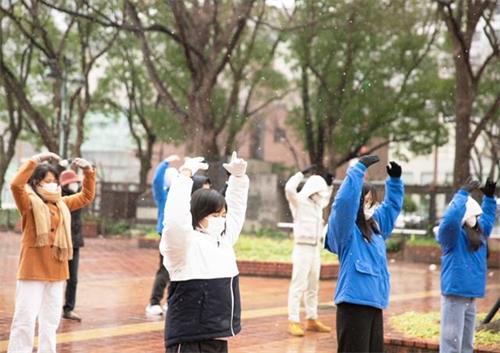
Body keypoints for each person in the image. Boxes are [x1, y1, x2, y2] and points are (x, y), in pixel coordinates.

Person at [160, 152, 249, 353]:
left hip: (217, 334)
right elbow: (175, 221)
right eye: (214, 214)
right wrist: (184, 177)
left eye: (222, 215)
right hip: (189, 337)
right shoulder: (184, 244)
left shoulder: (224, 240)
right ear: (199, 213)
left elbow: (237, 210)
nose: (220, 219)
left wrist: (238, 178)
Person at [7, 152, 96, 353]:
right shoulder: (28, 203)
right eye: (48, 181)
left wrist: (89, 172)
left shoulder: (62, 203)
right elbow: (15, 185)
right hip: (32, 270)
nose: (54, 185)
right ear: (37, 183)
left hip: (57, 271)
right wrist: (35, 160)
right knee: (25, 319)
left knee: (50, 322)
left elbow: (86, 196)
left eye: (56, 181)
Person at [325, 155, 404, 353]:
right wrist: (357, 170)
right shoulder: (346, 231)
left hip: (375, 303)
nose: (370, 206)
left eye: (372, 202)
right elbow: (344, 204)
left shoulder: (376, 227)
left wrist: (394, 182)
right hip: (353, 305)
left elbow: (391, 208)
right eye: (365, 201)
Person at [437, 178, 497, 353]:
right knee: (451, 344)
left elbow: (488, 219)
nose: (477, 219)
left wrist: (489, 198)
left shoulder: (478, 234)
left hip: (471, 295)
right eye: (473, 215)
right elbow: (449, 220)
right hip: (454, 294)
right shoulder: (451, 236)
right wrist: (462, 194)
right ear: (464, 216)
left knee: (466, 345)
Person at [285, 165, 333, 336]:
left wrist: (329, 182)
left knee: (313, 286)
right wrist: (301, 173)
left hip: (315, 250)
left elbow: (327, 197)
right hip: (301, 249)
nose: (321, 195)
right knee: (298, 285)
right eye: (318, 190)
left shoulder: (318, 206)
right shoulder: (298, 202)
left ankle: (312, 319)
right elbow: (289, 188)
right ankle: (293, 320)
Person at [146, 155, 180, 316]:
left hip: (179, 236)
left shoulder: (181, 196)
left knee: (177, 271)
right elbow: (156, 181)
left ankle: (170, 302)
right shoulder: (163, 196)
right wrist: (165, 162)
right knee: (165, 270)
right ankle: (154, 302)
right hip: (166, 236)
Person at [59, 169, 85, 322]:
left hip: (74, 243)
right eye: (72, 182)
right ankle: (48, 307)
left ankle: (69, 308)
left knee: (73, 278)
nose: (74, 184)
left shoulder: (78, 197)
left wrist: (87, 172)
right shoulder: (59, 197)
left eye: (76, 182)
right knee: (53, 278)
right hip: (59, 243)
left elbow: (87, 192)